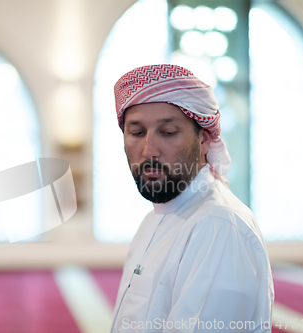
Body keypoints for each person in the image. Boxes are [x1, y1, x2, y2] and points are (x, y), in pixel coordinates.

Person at [110, 64, 274, 332]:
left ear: (205, 139)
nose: (149, 150)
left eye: (168, 132)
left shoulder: (216, 226)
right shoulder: (155, 220)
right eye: (137, 133)